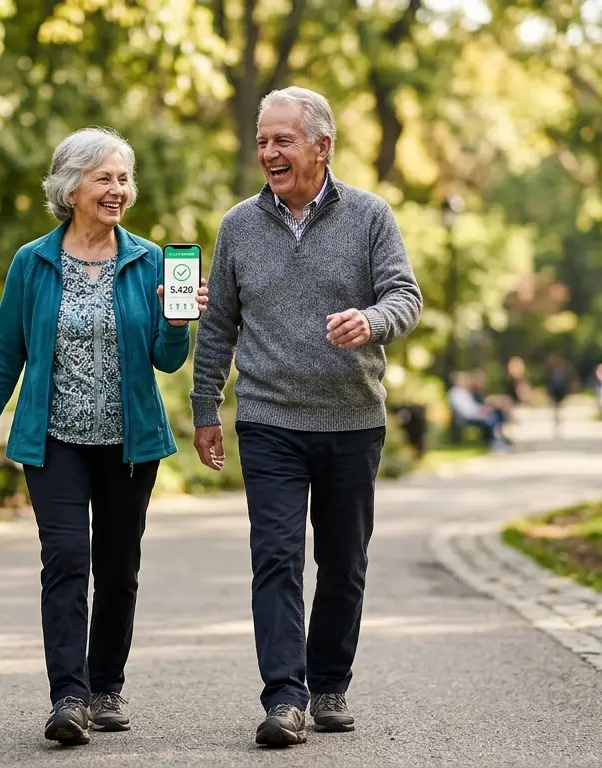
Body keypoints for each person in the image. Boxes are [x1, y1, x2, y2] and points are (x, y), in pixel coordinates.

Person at [0, 127, 208, 747]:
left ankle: (107, 687)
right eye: (104, 178)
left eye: (123, 178)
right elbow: (5, 352)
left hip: (130, 444)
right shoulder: (33, 262)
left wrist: (179, 323)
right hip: (56, 441)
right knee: (66, 561)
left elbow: (167, 360)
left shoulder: (149, 260)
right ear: (70, 189)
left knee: (118, 568)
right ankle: (68, 695)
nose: (118, 190)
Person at [190, 86, 422, 748]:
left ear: (322, 146)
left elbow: (405, 295)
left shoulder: (371, 217)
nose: (268, 152)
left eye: (282, 140)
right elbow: (218, 324)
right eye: (262, 140)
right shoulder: (238, 226)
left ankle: (328, 685)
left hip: (352, 419)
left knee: (345, 562)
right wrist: (206, 406)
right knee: (277, 557)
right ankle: (284, 697)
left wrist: (371, 319)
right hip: (268, 420)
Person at [449, 371, 507, 450]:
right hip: (467, 417)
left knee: (497, 414)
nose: (464, 381)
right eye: (462, 379)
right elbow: (466, 411)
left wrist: (483, 409)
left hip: (474, 414)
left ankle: (497, 439)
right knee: (491, 419)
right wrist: (481, 411)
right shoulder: (455, 393)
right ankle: (495, 441)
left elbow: (472, 406)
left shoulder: (464, 392)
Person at [544, 354, 573, 437]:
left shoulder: (564, 371)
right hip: (554, 392)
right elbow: (547, 382)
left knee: (559, 408)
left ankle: (558, 420)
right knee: (555, 408)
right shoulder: (551, 371)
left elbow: (567, 382)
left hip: (560, 393)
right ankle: (556, 420)